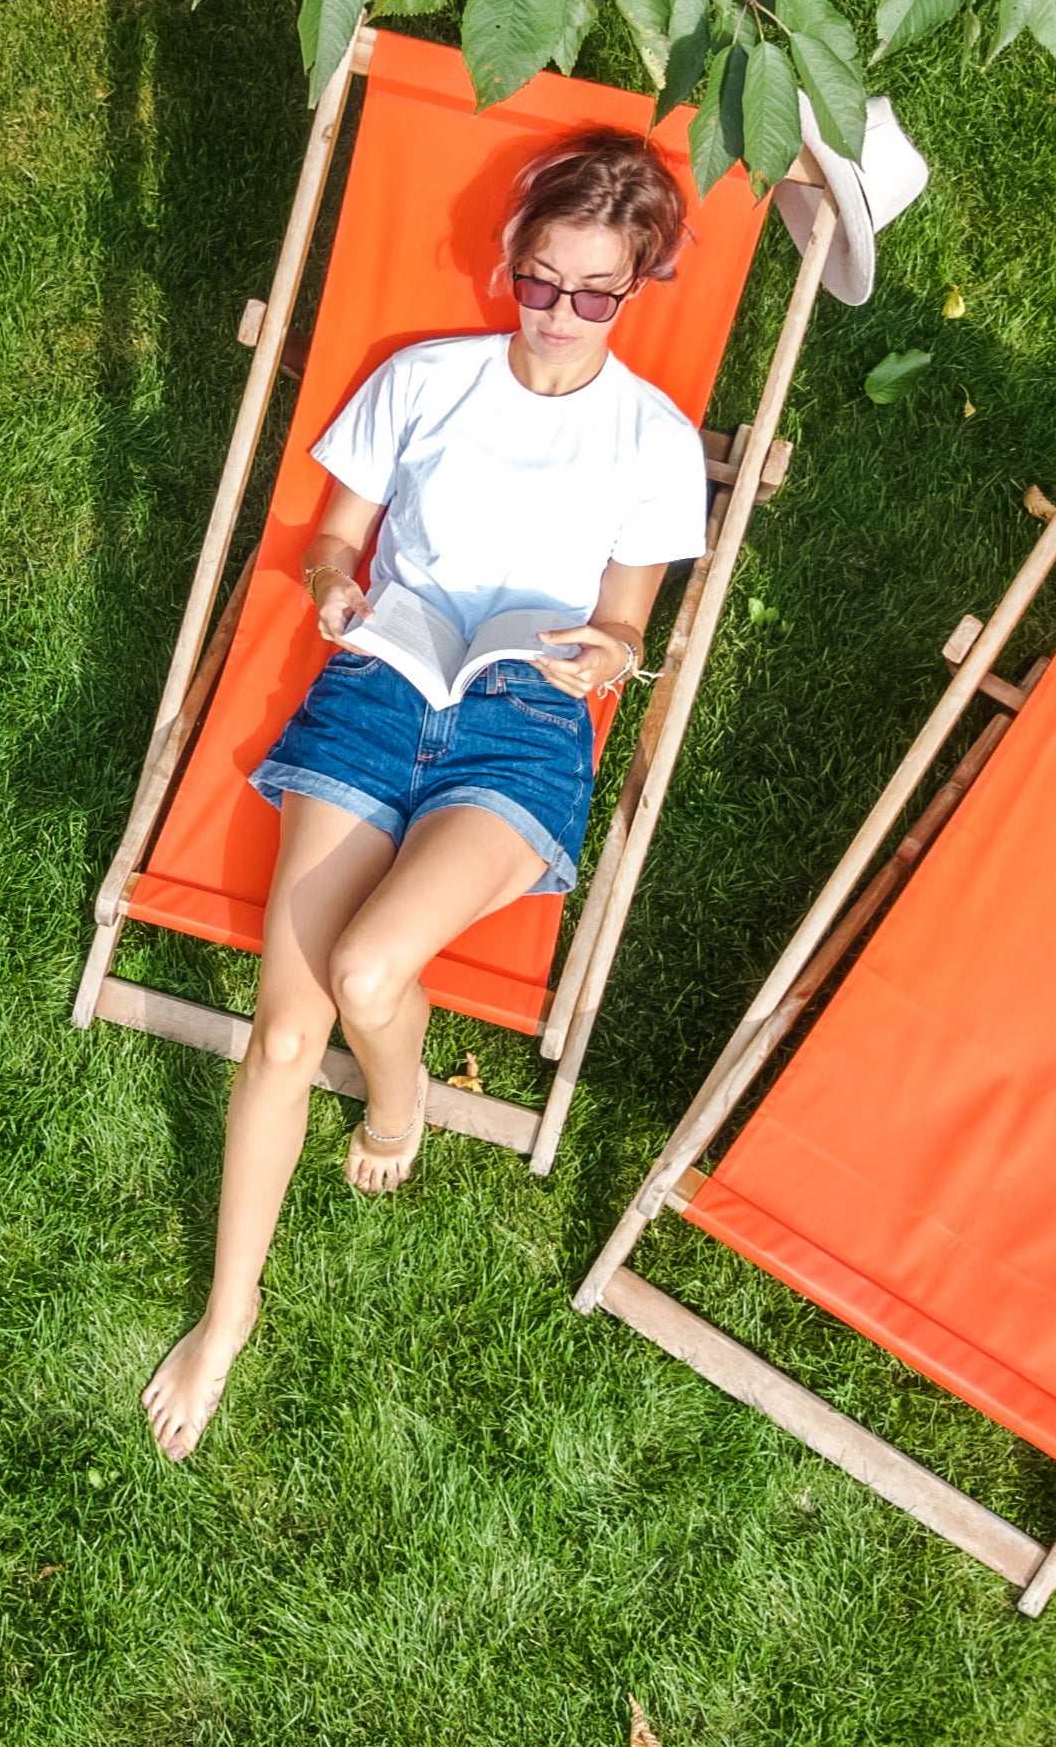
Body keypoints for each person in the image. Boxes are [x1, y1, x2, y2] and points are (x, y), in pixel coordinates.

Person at [142, 127, 710, 1461]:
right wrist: (338, 586)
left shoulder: (650, 438)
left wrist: (607, 651)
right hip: (380, 686)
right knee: (285, 1035)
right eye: (542, 279)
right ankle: (226, 1319)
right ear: (514, 258)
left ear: (637, 289)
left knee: (372, 966)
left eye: (596, 294)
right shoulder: (425, 382)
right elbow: (338, 537)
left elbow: (625, 626)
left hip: (516, 722)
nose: (561, 317)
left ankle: (399, 1101)